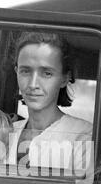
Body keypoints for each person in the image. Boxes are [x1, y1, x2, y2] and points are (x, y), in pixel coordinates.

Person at [8, 32, 92, 174]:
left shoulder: (84, 136)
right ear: (16, 72)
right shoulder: (6, 132)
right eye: (25, 71)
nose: (33, 84)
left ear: (64, 79)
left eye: (47, 73)